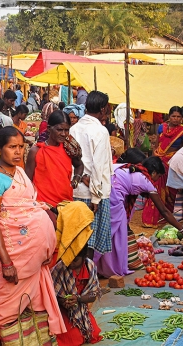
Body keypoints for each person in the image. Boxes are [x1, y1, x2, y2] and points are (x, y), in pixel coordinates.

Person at [0, 126, 66, 346]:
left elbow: (29, 206)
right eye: (12, 147)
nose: (18, 152)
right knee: (3, 313)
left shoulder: (20, 174)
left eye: (21, 146)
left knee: (31, 307)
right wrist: (7, 263)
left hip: (32, 259)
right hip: (11, 257)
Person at [94, 155, 183, 278]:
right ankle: (110, 268)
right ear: (153, 172)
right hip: (113, 197)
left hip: (102, 191)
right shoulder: (145, 180)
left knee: (105, 230)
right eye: (157, 177)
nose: (156, 181)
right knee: (116, 232)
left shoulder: (131, 169)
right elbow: (164, 211)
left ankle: (99, 266)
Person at [70, 91, 113, 257]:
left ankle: (81, 276)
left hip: (77, 189)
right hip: (94, 192)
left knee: (78, 237)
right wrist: (96, 197)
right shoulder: (100, 131)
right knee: (89, 241)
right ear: (103, 109)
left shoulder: (74, 129)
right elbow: (99, 166)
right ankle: (85, 277)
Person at [26, 110, 84, 208]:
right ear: (49, 129)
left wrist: (75, 180)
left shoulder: (69, 149)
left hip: (65, 204)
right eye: (59, 130)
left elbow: (79, 165)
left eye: (66, 130)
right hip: (43, 206)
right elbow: (27, 182)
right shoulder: (36, 151)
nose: (63, 134)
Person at [142, 106, 183, 227]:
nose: (176, 119)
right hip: (158, 161)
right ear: (169, 116)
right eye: (174, 116)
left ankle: (164, 218)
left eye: (179, 116)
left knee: (170, 190)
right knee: (154, 187)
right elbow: (157, 144)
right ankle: (150, 219)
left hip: (172, 163)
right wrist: (154, 158)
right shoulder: (161, 127)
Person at [51, 245, 102, 346]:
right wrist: (63, 301)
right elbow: (52, 296)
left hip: (81, 309)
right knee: (74, 340)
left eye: (75, 260)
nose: (71, 263)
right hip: (63, 311)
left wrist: (78, 299)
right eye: (68, 258)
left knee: (94, 334)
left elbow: (93, 295)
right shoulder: (59, 268)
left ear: (84, 257)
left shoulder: (90, 266)